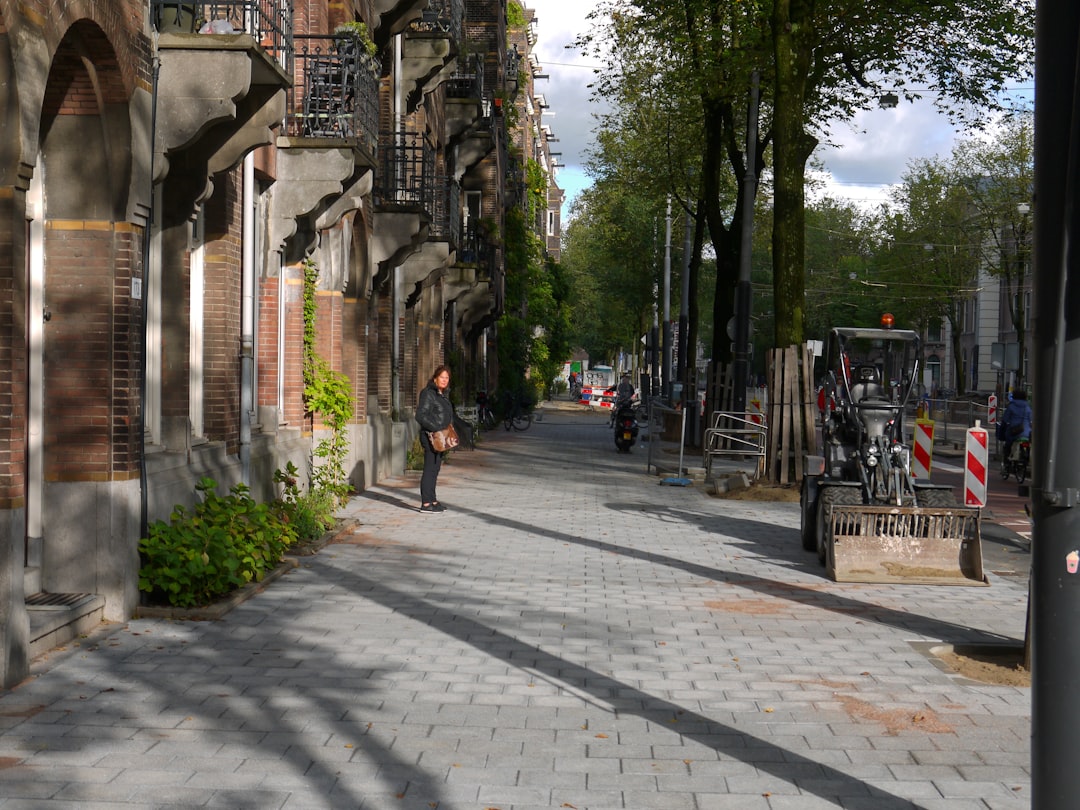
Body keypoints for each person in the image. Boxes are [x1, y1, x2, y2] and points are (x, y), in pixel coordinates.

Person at [415, 365, 454, 513]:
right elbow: (420, 415)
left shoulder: (441, 394)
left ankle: (433, 499)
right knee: (430, 469)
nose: (444, 380)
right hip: (431, 437)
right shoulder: (428, 393)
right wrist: (436, 428)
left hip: (441, 438)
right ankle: (426, 503)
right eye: (442, 377)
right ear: (435, 378)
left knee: (435, 469)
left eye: (447, 378)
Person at [1000, 389, 1032, 460]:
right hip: (1026, 433)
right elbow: (1031, 420)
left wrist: (1003, 427)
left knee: (1008, 443)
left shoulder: (1011, 406)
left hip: (1014, 432)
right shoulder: (1028, 408)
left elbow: (1005, 420)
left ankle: (1007, 458)